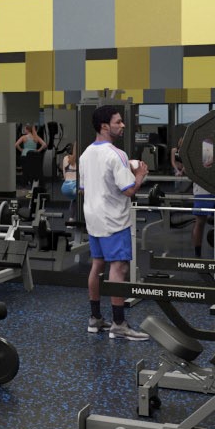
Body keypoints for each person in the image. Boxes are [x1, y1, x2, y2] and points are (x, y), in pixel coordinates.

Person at [79, 105, 148, 341]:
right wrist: (139, 175)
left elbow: (84, 188)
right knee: (119, 268)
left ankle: (95, 318)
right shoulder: (116, 154)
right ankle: (119, 324)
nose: (122, 125)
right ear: (105, 126)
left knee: (97, 265)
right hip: (113, 220)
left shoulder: (85, 154)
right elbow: (129, 190)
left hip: (93, 218)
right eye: (118, 122)